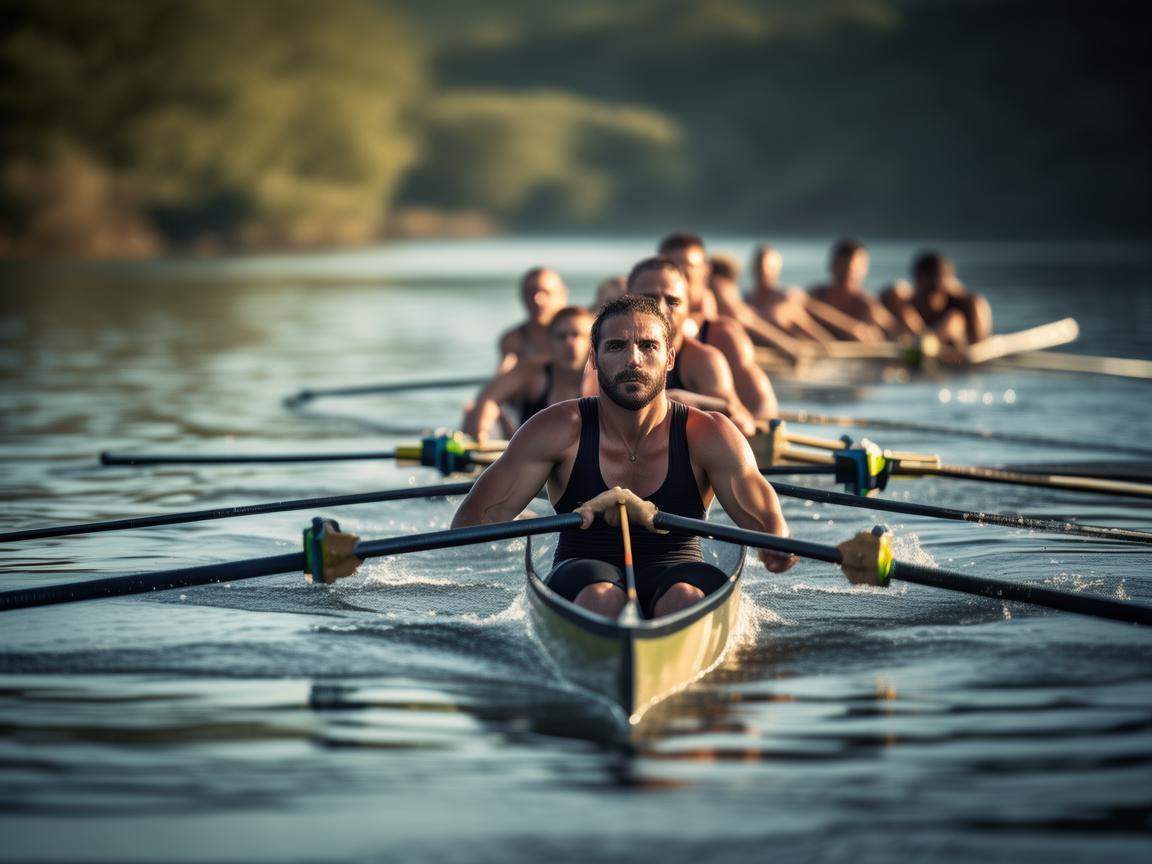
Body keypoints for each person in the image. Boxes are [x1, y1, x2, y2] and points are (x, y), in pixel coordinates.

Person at [451, 294, 796, 620]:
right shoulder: (556, 428)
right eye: (616, 346)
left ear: (670, 358)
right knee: (601, 599)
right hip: (582, 566)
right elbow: (468, 525)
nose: (633, 359)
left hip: (679, 568)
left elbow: (772, 531)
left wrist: (778, 544)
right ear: (594, 359)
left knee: (684, 599)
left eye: (648, 346)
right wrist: (549, 517)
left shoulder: (709, 433)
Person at [624, 257, 758, 436]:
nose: (662, 309)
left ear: (688, 307)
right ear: (626, 302)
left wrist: (679, 401)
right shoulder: (605, 351)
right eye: (650, 298)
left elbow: (744, 424)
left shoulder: (702, 360)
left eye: (673, 301)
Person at [657, 232, 779, 419]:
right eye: (671, 269)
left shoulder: (722, 335)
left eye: (686, 272)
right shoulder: (636, 331)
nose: (677, 280)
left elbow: (765, 411)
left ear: (705, 272)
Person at [462, 306, 593, 445]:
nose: (570, 343)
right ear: (548, 342)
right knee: (472, 412)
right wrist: (481, 432)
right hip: (534, 457)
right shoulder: (532, 372)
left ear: (593, 342)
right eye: (561, 337)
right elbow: (489, 398)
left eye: (578, 335)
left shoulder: (604, 379)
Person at [880, 251, 992, 347]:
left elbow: (980, 346)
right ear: (917, 278)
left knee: (954, 319)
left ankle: (927, 342)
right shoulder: (902, 300)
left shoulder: (966, 304)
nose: (935, 283)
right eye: (928, 277)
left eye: (940, 277)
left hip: (952, 351)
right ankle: (923, 342)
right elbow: (889, 294)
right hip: (917, 340)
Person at [807, 239, 907, 342]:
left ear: (864, 270)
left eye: (852, 271)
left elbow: (898, 333)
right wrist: (853, 328)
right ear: (833, 266)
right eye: (843, 268)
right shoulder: (815, 296)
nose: (847, 274)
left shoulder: (868, 305)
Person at [746, 244, 838, 347]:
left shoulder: (786, 297)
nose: (763, 270)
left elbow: (816, 331)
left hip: (792, 353)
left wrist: (828, 347)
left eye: (768, 267)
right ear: (753, 267)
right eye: (760, 266)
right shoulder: (746, 299)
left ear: (777, 270)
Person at [497, 267, 570, 373]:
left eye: (546, 292)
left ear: (563, 295)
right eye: (531, 292)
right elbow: (503, 377)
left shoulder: (587, 331)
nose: (537, 300)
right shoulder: (513, 340)